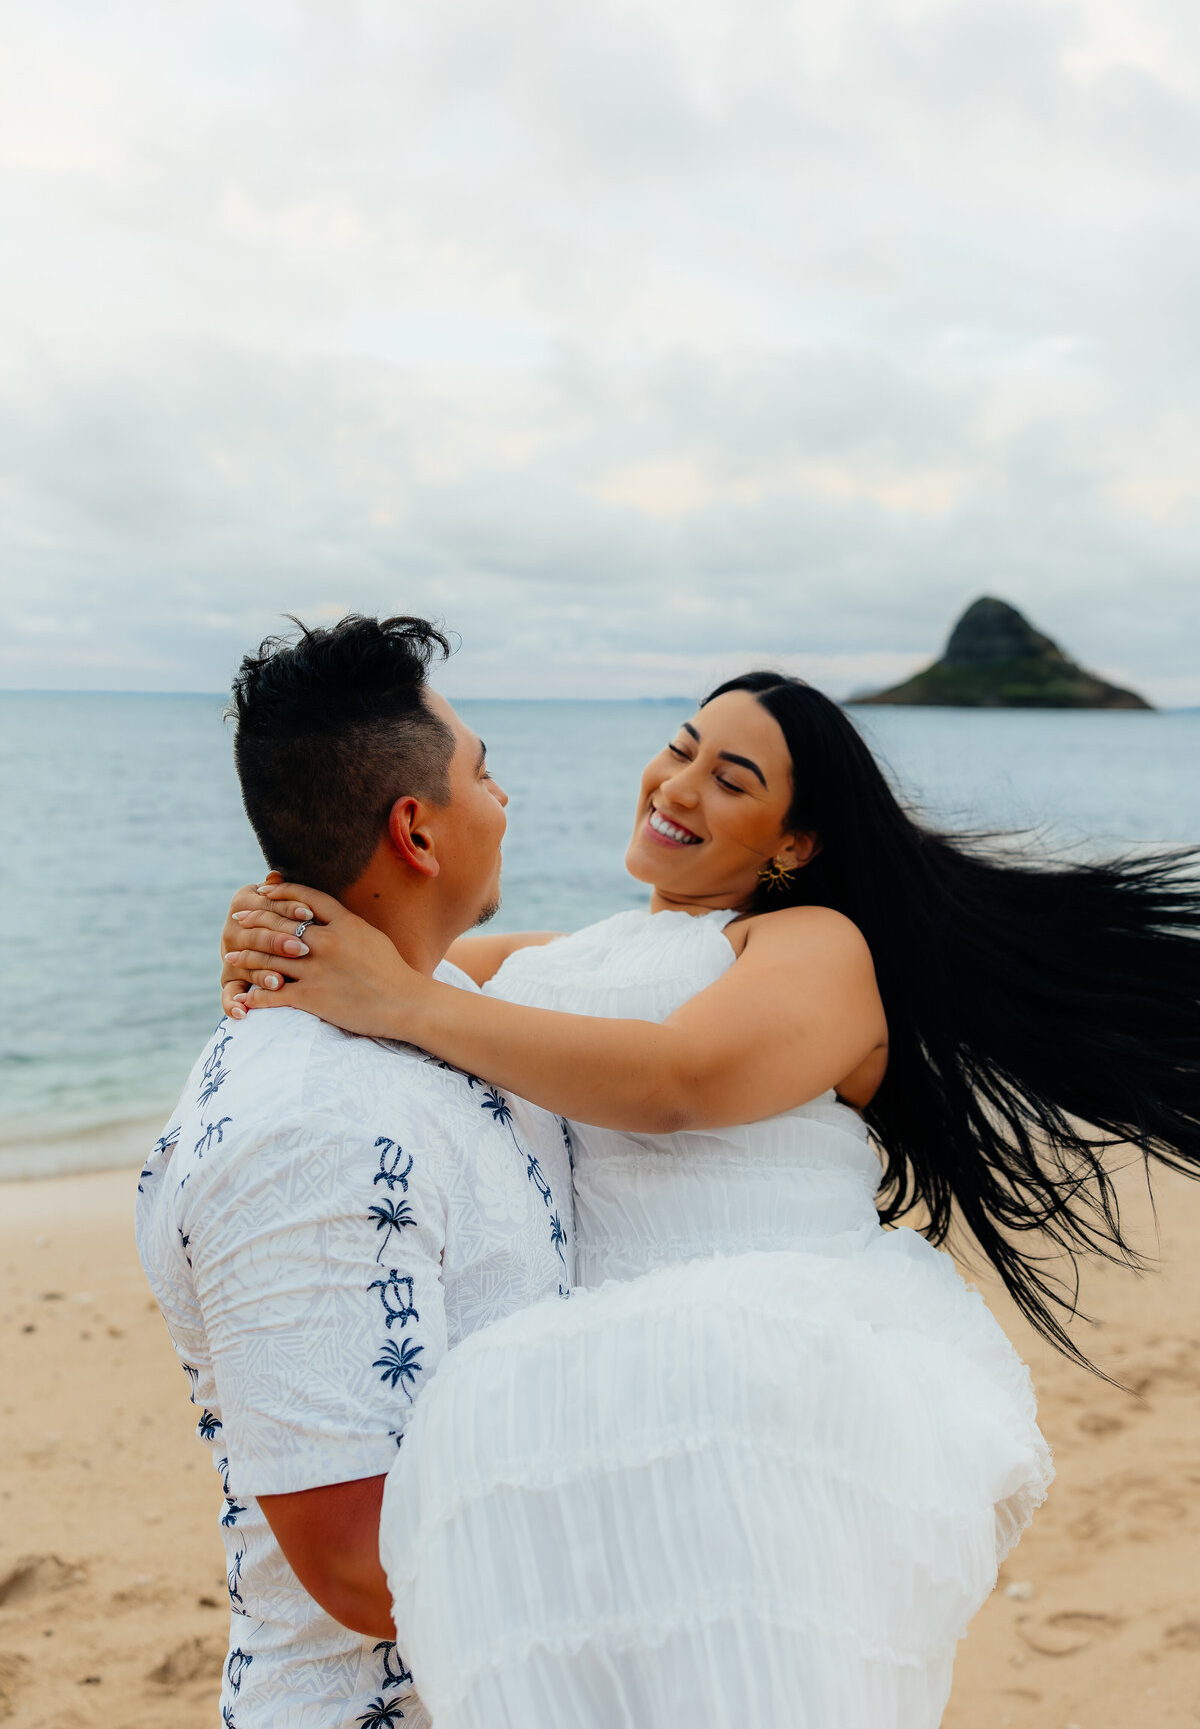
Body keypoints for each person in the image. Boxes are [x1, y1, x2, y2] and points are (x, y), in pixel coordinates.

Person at [222, 664, 1200, 1729]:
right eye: (682, 747)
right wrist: (274, 935)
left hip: (761, 1358)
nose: (678, 786)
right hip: (600, 1374)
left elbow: (680, 1084)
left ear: (796, 844)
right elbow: (388, 951)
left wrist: (407, 1002)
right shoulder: (573, 953)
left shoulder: (814, 945)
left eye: (731, 779)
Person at [136, 615, 574, 1729]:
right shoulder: (305, 1134)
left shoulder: (442, 1009)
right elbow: (362, 1572)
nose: (506, 800)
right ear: (417, 830)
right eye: (487, 772)